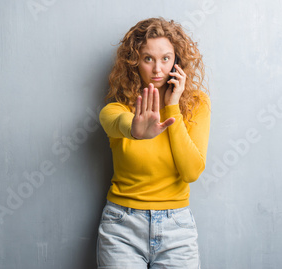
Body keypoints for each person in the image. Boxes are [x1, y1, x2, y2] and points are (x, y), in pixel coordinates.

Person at [96, 17, 211, 269]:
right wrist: (135, 130)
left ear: (177, 61)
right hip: (122, 227)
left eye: (166, 58)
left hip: (177, 229)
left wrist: (173, 107)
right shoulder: (115, 109)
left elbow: (191, 172)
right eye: (148, 58)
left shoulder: (197, 105)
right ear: (134, 62)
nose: (158, 69)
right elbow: (117, 122)